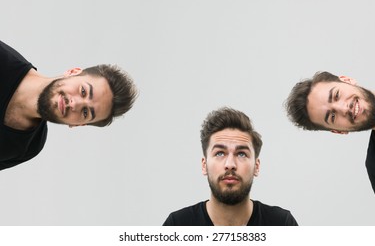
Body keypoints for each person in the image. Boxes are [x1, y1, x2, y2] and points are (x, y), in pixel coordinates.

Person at [0, 39, 138, 171]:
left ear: (78, 124)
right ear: (72, 72)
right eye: (83, 91)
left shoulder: (31, 146)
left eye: (85, 113)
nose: (75, 104)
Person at [163, 107, 298, 226]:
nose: (230, 165)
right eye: (220, 153)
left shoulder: (282, 224)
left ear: (256, 166)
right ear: (204, 165)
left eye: (241, 154)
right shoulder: (178, 225)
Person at [285, 71, 375, 212]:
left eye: (336, 95)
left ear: (347, 80)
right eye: (332, 116)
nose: (344, 108)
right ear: (339, 131)